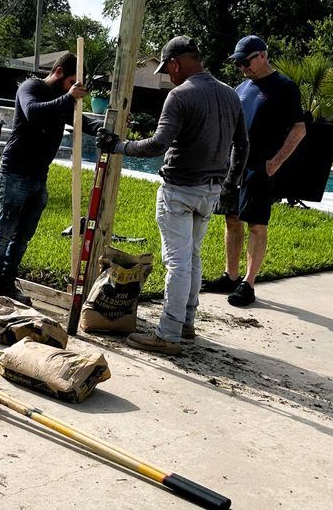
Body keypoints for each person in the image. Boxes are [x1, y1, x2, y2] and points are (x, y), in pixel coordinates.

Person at [96, 37, 248, 356]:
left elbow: (157, 145)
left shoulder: (180, 96)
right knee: (192, 256)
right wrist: (229, 183)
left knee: (177, 262)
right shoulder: (230, 94)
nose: (168, 76)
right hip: (210, 191)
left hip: (179, 190)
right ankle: (187, 323)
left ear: (176, 63)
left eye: (167, 70)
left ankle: (168, 334)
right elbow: (243, 146)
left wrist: (118, 146)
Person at [0, 52, 100, 305]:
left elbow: (78, 121)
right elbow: (34, 113)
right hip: (15, 171)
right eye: (71, 82)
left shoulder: (62, 99)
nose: (73, 90)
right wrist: (68, 97)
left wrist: (105, 131)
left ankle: (8, 281)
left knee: (24, 235)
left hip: (38, 176)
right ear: (58, 73)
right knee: (5, 230)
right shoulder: (31, 87)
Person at [202, 35, 306, 307]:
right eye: (238, 64)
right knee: (231, 219)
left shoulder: (285, 87)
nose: (242, 68)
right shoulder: (243, 87)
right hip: (234, 165)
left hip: (261, 167)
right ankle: (231, 276)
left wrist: (276, 162)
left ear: (262, 55)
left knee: (256, 224)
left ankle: (248, 283)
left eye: (246, 62)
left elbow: (299, 129)